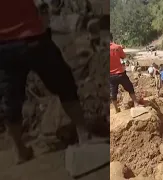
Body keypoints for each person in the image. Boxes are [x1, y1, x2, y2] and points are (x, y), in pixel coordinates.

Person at [0, 0, 103, 164]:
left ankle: (19, 150)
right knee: (65, 83)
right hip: (33, 38)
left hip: (4, 46)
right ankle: (84, 135)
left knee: (11, 100)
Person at [110, 33, 141, 113]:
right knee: (130, 87)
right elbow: (123, 56)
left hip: (110, 75)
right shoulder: (117, 47)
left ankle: (116, 109)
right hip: (120, 73)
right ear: (111, 38)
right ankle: (136, 103)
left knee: (113, 93)